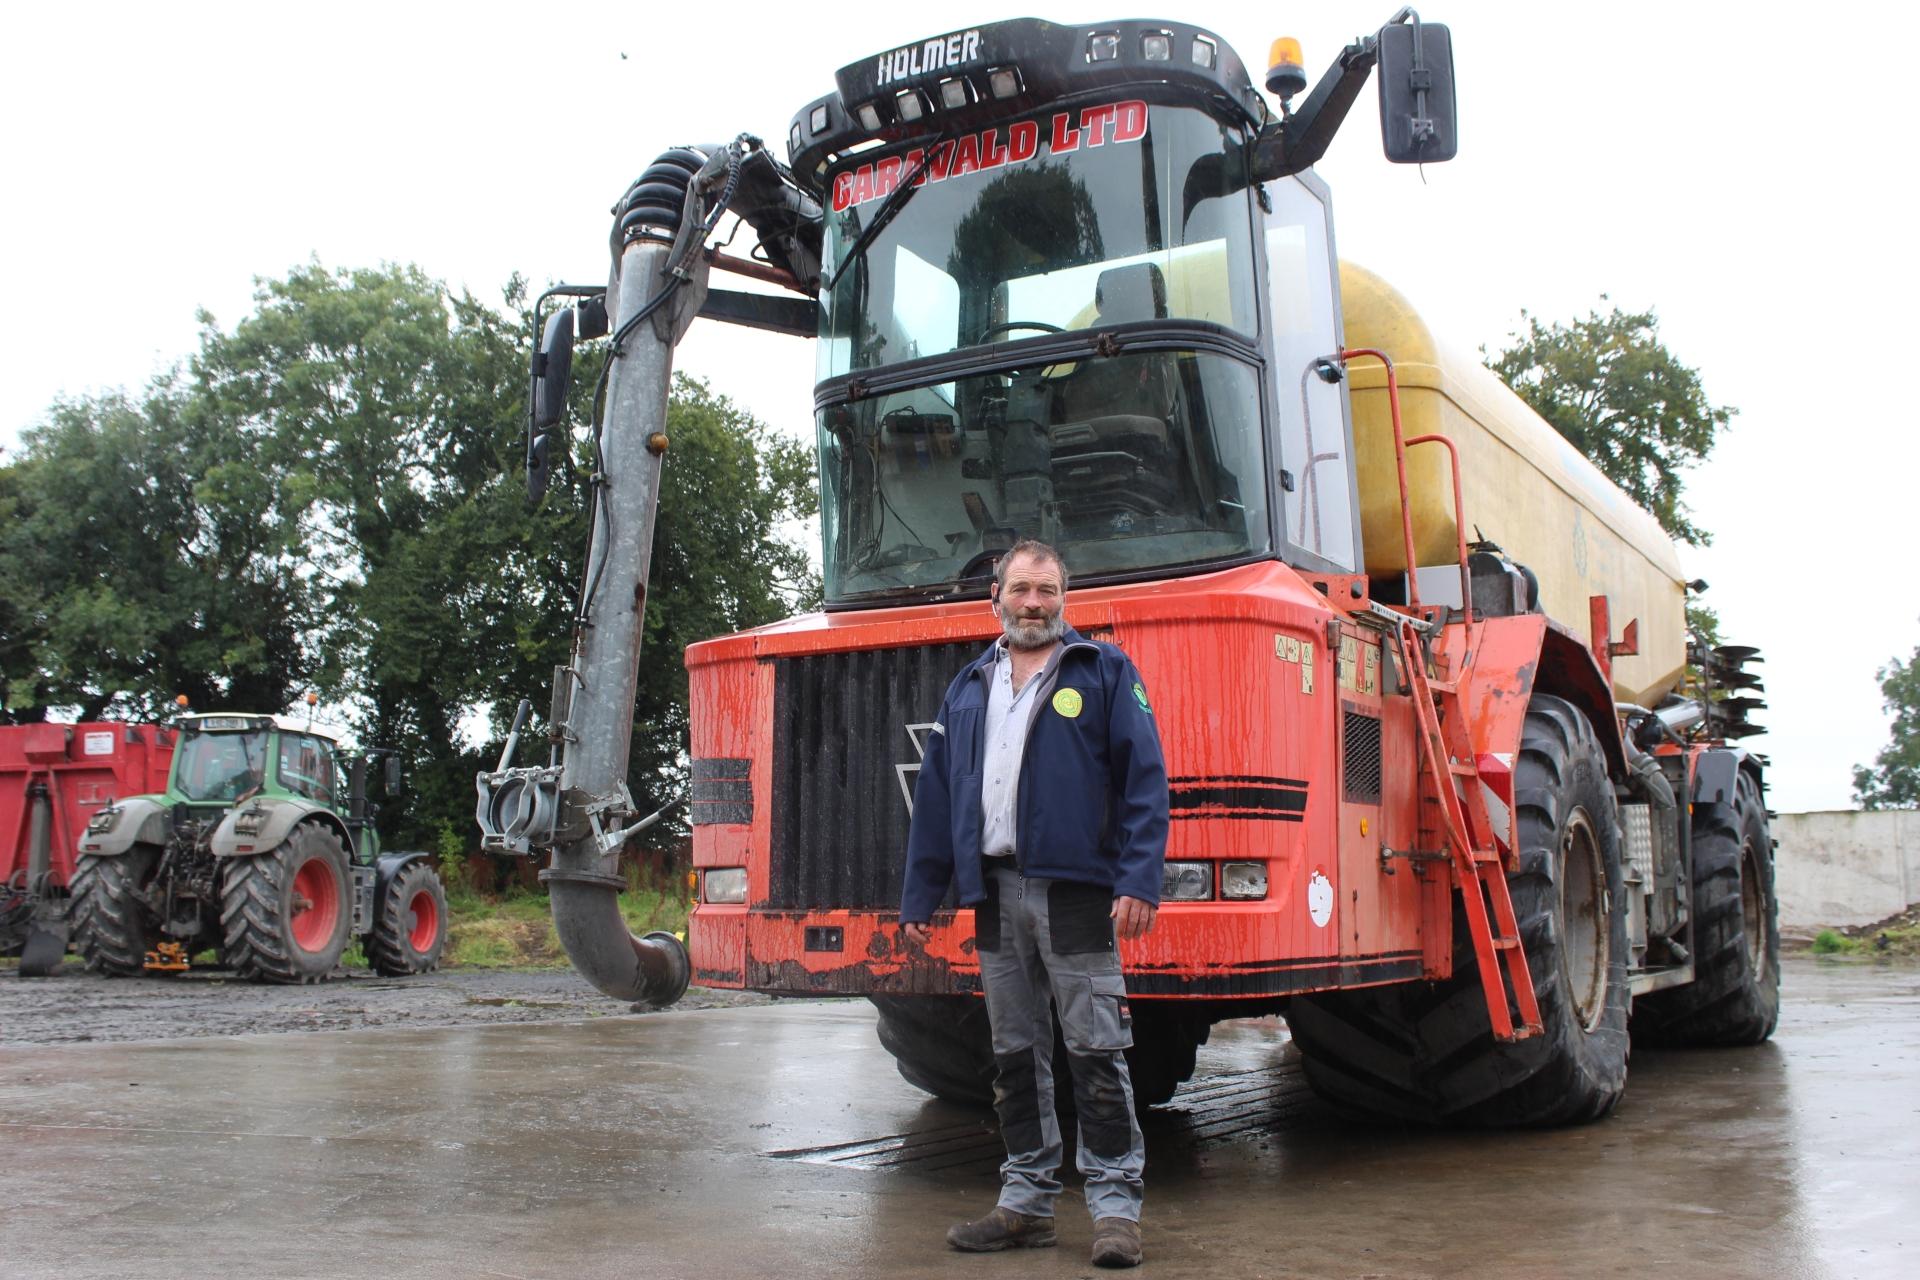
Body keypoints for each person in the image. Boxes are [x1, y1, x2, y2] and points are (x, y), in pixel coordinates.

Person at [900, 539, 1169, 1270]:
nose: (1032, 604)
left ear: (1063, 599)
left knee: (1096, 1050)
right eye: (1020, 590)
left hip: (1078, 891)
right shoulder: (967, 687)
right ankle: (1026, 1204)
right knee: (1015, 1055)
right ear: (996, 597)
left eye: (1046, 591)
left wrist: (1140, 879)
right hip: (992, 891)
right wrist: (923, 892)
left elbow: (1145, 781)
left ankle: (1115, 1209)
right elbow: (937, 798)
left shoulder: (1104, 673)